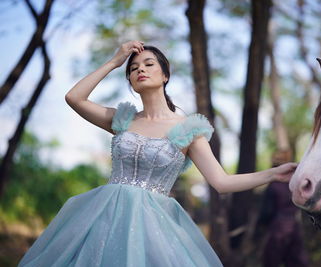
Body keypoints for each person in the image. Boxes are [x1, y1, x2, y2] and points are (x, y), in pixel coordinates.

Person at [18, 40, 297, 267]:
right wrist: (115, 61)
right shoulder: (122, 120)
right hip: (103, 217)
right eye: (133, 68)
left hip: (153, 230)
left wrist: (273, 173)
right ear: (129, 79)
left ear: (165, 75)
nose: (140, 69)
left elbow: (222, 182)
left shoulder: (187, 130)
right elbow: (74, 98)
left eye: (149, 64)